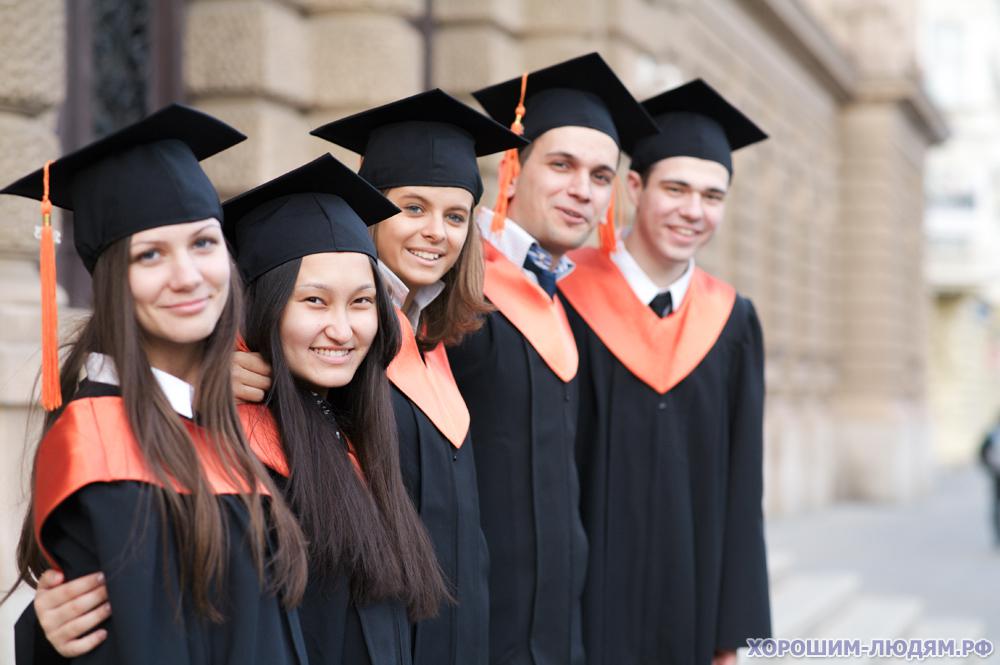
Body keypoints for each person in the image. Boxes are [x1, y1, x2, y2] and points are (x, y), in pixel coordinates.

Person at [3, 104, 309, 665]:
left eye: (203, 243)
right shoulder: (107, 453)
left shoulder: (211, 419)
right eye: (150, 255)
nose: (188, 275)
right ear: (113, 281)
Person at [556, 79, 772, 665]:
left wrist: (734, 633)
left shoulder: (732, 320)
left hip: (691, 606)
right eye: (676, 188)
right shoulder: (562, 295)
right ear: (633, 187)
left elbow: (741, 485)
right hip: (580, 606)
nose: (694, 211)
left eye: (712, 195)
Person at [309, 89, 527, 665]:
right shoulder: (334, 339)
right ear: (370, 210)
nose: (437, 231)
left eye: (456, 216)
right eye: (413, 208)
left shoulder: (431, 337)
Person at [455, 52, 657, 665]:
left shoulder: (560, 297)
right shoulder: (456, 289)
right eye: (562, 164)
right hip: (475, 622)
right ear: (512, 167)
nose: (582, 190)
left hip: (557, 627)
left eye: (600, 176)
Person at [224, 153, 449, 664]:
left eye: (362, 302)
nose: (344, 330)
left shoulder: (358, 428)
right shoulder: (239, 452)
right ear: (266, 308)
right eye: (315, 302)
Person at [980, 417, 1000, 546]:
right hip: (997, 475)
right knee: (996, 507)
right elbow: (982, 453)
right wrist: (991, 469)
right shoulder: (993, 434)